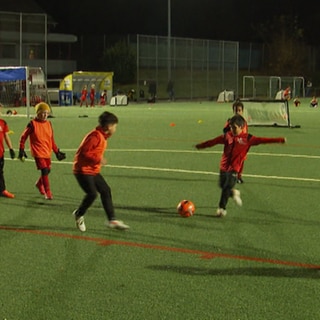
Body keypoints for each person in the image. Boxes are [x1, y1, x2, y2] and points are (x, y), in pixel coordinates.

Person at [195, 114, 286, 218]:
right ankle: (234, 193)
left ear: (241, 127)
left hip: (235, 168)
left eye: (234, 127)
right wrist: (201, 146)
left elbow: (263, 140)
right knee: (222, 186)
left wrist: (279, 140)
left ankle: (221, 209)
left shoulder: (248, 138)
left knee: (226, 187)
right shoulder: (227, 136)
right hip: (224, 166)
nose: (232, 129)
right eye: (231, 127)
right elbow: (213, 142)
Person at [72, 111, 130, 232]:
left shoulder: (102, 136)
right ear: (109, 126)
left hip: (92, 170)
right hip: (82, 170)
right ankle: (79, 214)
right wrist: (99, 159)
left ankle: (112, 220)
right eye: (115, 126)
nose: (115, 129)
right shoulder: (95, 136)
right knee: (92, 194)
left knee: (105, 190)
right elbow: (84, 152)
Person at [18, 102, 66, 200]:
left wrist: (57, 151)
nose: (45, 115)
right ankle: (48, 192)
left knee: (48, 170)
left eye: (46, 113)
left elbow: (51, 140)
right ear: (38, 113)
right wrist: (21, 149)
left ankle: (39, 184)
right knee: (44, 170)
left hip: (46, 151)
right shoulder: (32, 124)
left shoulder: (49, 124)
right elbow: (23, 137)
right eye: (43, 112)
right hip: (38, 152)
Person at [223, 100, 248, 184]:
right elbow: (225, 131)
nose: (237, 112)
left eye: (239, 110)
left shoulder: (244, 122)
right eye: (236, 110)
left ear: (242, 111)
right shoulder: (230, 121)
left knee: (241, 161)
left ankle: (239, 176)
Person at [0, 117, 15, 198]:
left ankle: (2, 190)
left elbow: (6, 136)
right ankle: (2, 190)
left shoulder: (3, 122)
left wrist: (11, 148)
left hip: (0, 152)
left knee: (0, 172)